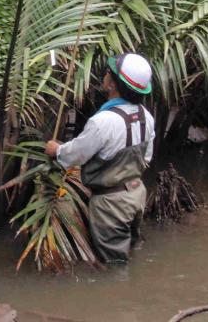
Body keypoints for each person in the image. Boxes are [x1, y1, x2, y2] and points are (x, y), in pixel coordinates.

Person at [45, 53, 155, 263]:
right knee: (130, 248)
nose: (104, 75)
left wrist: (56, 150)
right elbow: (147, 157)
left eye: (107, 73)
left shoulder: (103, 121)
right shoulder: (145, 116)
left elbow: (77, 154)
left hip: (110, 205)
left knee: (115, 265)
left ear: (113, 83)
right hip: (136, 195)